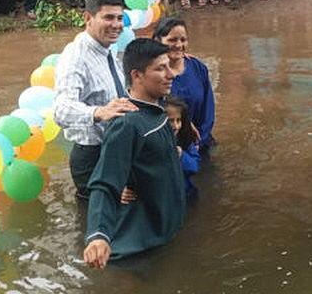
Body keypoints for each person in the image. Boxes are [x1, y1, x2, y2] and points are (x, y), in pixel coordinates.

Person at [82, 37, 186, 267]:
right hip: (137, 247)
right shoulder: (127, 125)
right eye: (161, 68)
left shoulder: (158, 109)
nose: (171, 74)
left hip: (165, 227)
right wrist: (98, 235)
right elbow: (105, 181)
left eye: (169, 66)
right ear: (137, 75)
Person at [54, 0, 137, 199]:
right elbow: (60, 110)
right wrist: (99, 112)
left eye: (119, 18)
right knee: (99, 221)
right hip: (92, 157)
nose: (116, 25)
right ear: (88, 19)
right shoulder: (75, 57)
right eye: (108, 18)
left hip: (114, 149)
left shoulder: (107, 50)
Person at [154, 18, 217, 151]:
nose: (178, 45)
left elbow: (208, 109)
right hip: (168, 147)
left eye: (183, 40)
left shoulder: (197, 67)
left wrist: (200, 141)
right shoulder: (152, 73)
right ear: (158, 40)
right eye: (172, 40)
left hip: (200, 140)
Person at [164, 96, 202, 199]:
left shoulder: (186, 139)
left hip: (184, 193)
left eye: (178, 120)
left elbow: (194, 167)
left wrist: (181, 155)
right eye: (170, 121)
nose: (175, 126)